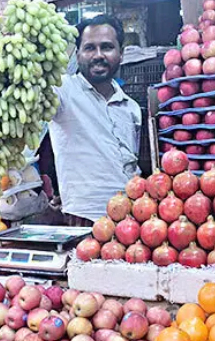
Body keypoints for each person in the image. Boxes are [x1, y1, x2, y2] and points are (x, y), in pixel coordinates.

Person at [42, 15, 142, 226]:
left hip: (130, 220)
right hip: (84, 218)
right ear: (77, 55)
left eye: (106, 47)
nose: (98, 55)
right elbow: (34, 95)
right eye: (89, 48)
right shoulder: (62, 92)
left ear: (121, 54)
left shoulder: (131, 107)